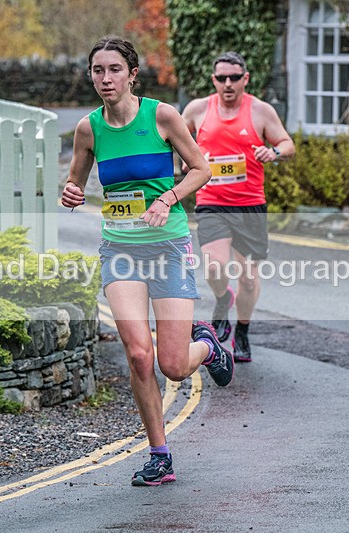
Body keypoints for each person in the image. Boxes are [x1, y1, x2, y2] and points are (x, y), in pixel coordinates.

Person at [61, 36, 234, 487]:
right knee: (139, 356)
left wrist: (169, 198)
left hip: (168, 245)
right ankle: (160, 454)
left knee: (174, 365)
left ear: (132, 74)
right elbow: (75, 183)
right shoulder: (89, 129)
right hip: (120, 250)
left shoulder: (162, 116)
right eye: (97, 71)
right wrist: (71, 193)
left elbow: (202, 168)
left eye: (114, 69)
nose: (105, 79)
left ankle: (208, 347)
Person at [181, 51, 296, 363]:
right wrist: (182, 157)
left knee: (247, 278)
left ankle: (242, 330)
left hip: (249, 205)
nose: (228, 84)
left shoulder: (260, 110)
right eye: (221, 78)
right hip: (212, 202)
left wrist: (273, 152)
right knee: (215, 266)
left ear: (245, 79)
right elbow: (174, 138)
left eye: (234, 78)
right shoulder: (198, 109)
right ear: (214, 80)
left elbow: (288, 144)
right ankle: (222, 298)